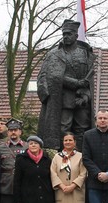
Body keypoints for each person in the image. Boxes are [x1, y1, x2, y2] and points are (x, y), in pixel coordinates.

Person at [37, 19, 95, 150]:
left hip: (82, 100)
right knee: (63, 127)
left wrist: (86, 96)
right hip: (63, 99)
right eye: (64, 34)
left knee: (83, 128)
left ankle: (80, 155)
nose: (66, 37)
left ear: (76, 35)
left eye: (69, 34)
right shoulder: (54, 54)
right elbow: (52, 76)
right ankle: (63, 153)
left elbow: (88, 80)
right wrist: (75, 83)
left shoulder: (85, 54)